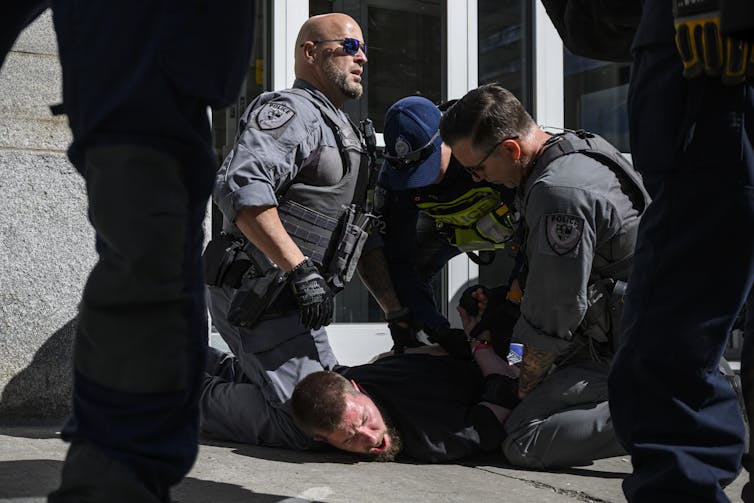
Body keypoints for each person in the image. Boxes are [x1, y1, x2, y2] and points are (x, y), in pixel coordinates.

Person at [2, 1, 256, 502]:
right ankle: (116, 471)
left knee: (153, 252)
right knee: (149, 253)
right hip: (137, 67)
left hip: (156, 68)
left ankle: (119, 468)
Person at [200, 13, 408, 450]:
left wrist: (395, 312)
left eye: (364, 48)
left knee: (329, 403)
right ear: (310, 52)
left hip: (297, 305)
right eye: (349, 47)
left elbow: (356, 235)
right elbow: (241, 190)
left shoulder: (343, 129)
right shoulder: (290, 112)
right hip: (259, 296)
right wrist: (299, 270)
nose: (362, 58)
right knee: (310, 427)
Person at [439, 83, 651, 469]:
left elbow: (555, 310)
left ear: (510, 149)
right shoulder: (573, 148)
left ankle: (672, 416)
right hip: (623, 334)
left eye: (477, 169)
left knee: (523, 435)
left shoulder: (558, 192)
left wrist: (524, 380)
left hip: (631, 351)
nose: (475, 180)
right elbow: (538, 288)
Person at [376, 95, 519, 357]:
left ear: (445, 138)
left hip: (514, 226)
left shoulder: (485, 146)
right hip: (450, 228)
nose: (421, 182)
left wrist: (506, 302)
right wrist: (437, 329)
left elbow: (539, 255)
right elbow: (398, 259)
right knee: (403, 271)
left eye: (426, 170)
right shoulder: (396, 174)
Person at [290, 348, 516, 462]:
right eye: (350, 439)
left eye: (366, 420)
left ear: (357, 389)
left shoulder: (431, 438)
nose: (370, 438)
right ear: (321, 439)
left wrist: (481, 346)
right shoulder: (348, 381)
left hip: (504, 373)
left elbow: (503, 397)